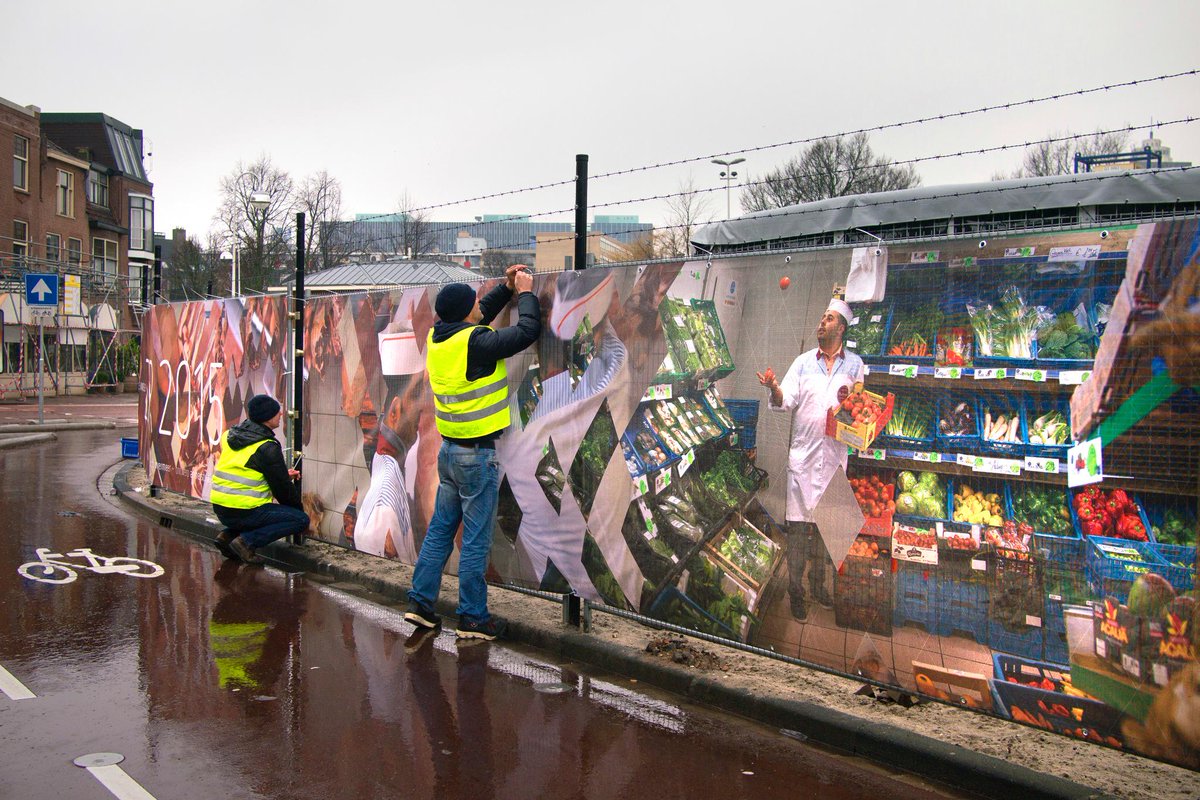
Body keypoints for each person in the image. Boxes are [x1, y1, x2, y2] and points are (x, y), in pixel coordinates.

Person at [405, 264, 540, 641]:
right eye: (475, 303)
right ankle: (473, 618)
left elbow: (479, 315)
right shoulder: (476, 342)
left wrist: (506, 288)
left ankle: (420, 604)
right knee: (476, 539)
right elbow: (528, 331)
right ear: (467, 312)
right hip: (476, 457)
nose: (480, 306)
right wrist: (526, 293)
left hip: (450, 454)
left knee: (440, 532)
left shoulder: (439, 337)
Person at [756, 298, 864, 623]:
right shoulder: (803, 362)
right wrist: (774, 387)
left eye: (828, 318)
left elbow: (859, 407)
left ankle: (819, 587)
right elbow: (785, 400)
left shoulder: (855, 365)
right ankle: (796, 593)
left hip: (833, 461)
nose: (821, 323)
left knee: (826, 533)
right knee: (798, 533)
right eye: (821, 318)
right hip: (803, 462)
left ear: (841, 327)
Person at [210, 393, 308, 564]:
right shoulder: (266, 446)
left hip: (221, 508)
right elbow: (282, 490)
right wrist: (297, 510)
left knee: (258, 513)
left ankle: (227, 536)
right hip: (245, 511)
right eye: (277, 412)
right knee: (300, 520)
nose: (281, 415)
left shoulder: (231, 435)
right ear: (267, 417)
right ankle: (246, 543)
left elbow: (247, 470)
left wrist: (282, 474)